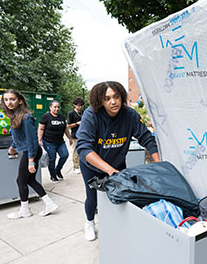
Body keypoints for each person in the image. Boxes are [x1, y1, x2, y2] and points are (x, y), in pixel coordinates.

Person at [76, 81, 160, 241]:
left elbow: (147, 138)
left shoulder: (130, 115)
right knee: (93, 198)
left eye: (116, 97)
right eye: (107, 98)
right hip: (92, 165)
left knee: (121, 195)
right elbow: (84, 148)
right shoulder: (91, 115)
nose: (113, 102)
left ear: (121, 96)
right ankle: (89, 222)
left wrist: (158, 163)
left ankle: (117, 225)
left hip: (117, 162)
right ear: (100, 101)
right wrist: (109, 171)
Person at [2, 89, 59, 219]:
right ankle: (49, 204)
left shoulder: (26, 117)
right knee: (30, 180)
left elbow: (31, 139)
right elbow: (19, 137)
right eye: (6, 100)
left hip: (31, 151)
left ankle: (25, 210)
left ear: (20, 101)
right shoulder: (15, 115)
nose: (9, 102)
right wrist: (13, 147)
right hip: (28, 150)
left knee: (21, 180)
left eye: (12, 99)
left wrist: (31, 160)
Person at [38, 100, 72, 182]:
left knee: (65, 155)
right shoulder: (45, 117)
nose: (57, 109)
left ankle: (58, 170)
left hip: (60, 142)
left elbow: (65, 129)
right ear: (50, 107)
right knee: (52, 159)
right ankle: (53, 175)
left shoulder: (61, 117)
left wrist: (70, 138)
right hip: (49, 142)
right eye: (55, 107)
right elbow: (41, 129)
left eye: (58, 107)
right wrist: (39, 139)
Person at [67, 97, 84, 174]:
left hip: (83, 134)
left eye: (81, 105)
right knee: (76, 151)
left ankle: (82, 166)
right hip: (75, 135)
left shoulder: (83, 112)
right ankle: (76, 167)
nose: (80, 107)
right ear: (74, 105)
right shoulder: (71, 114)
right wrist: (77, 123)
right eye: (78, 105)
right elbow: (68, 125)